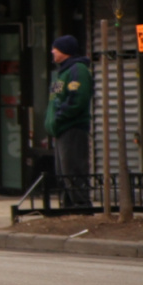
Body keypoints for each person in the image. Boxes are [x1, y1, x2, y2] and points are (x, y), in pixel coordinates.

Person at [46, 35, 92, 206]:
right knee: (63, 172)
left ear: (65, 50)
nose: (52, 51)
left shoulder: (77, 70)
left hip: (72, 128)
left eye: (55, 48)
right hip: (60, 130)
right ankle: (69, 206)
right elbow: (56, 99)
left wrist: (59, 118)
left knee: (73, 170)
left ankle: (81, 207)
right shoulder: (62, 73)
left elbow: (78, 99)